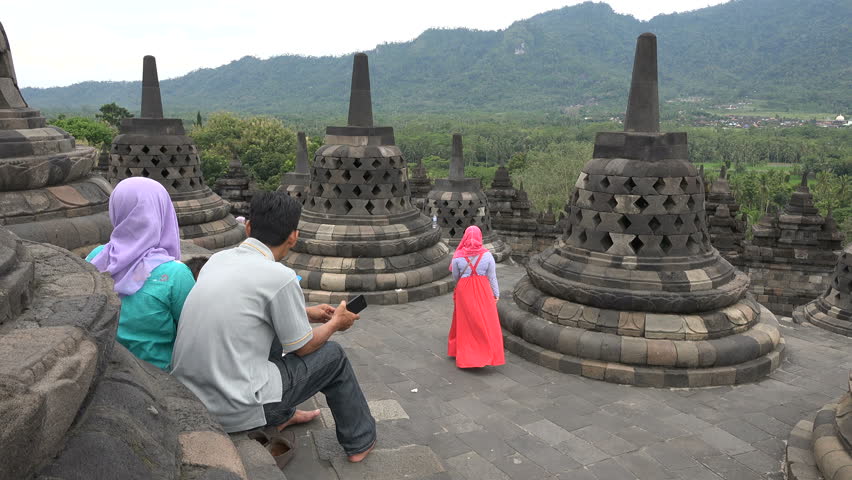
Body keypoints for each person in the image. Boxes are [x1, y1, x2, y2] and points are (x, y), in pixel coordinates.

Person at [171, 192, 376, 463]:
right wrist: (337, 322)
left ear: (248, 228)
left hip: (192, 396)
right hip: (234, 407)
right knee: (333, 356)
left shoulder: (218, 261)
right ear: (293, 236)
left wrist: (305, 313)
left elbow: (245, 309)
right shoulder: (280, 276)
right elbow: (304, 348)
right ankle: (359, 441)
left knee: (278, 335)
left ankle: (283, 415)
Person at [86, 177, 195, 371]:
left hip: (101, 373)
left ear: (116, 210)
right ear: (162, 211)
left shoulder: (96, 258)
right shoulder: (175, 275)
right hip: (160, 383)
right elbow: (192, 338)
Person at [447, 225, 505, 368]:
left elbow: (456, 276)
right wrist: (496, 294)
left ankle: (467, 354)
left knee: (466, 322)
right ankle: (484, 352)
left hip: (464, 291)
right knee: (485, 320)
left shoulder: (458, 257)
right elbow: (492, 277)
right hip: (483, 289)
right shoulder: (487, 256)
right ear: (480, 237)